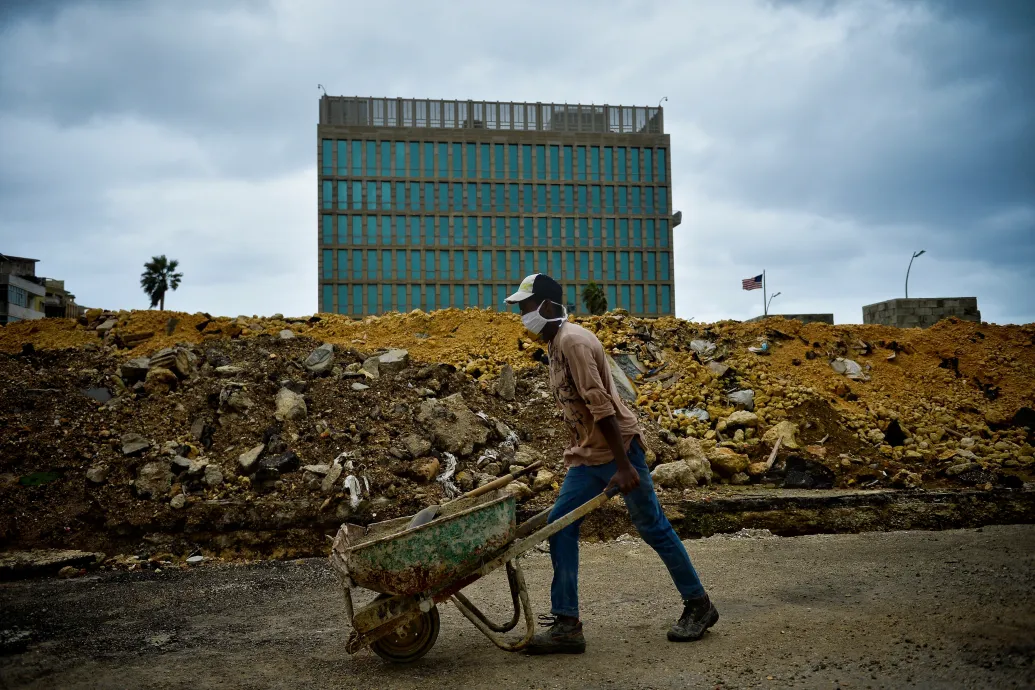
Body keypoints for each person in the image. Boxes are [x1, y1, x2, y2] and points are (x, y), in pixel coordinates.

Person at [504, 274, 718, 655]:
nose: (522, 315)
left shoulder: (572, 341)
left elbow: (601, 404)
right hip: (587, 457)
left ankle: (700, 605)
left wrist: (623, 467)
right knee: (560, 527)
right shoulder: (554, 343)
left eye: (525, 306)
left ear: (547, 307)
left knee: (653, 527)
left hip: (619, 453)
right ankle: (567, 625)